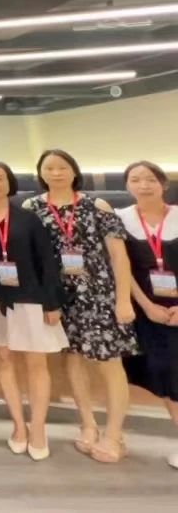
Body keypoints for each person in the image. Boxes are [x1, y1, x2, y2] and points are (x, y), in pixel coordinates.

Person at [25, 149, 137, 463]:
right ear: (40, 173)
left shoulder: (96, 205)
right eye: (49, 168)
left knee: (109, 361)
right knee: (72, 359)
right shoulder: (32, 208)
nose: (56, 173)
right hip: (59, 295)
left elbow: (118, 256)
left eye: (62, 167)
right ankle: (87, 424)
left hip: (99, 293)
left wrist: (123, 299)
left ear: (74, 171)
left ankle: (114, 434)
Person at [0, 161, 67, 462]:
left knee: (36, 363)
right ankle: (18, 425)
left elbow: (47, 261)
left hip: (30, 298)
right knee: (3, 359)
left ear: (10, 182)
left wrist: (52, 302)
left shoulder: (28, 218)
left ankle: (38, 427)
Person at [116, 160, 178, 469]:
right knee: (167, 376)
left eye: (151, 179)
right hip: (146, 311)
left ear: (163, 184)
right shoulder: (119, 219)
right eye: (136, 179)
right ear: (127, 186)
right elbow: (121, 268)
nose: (144, 185)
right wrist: (147, 306)